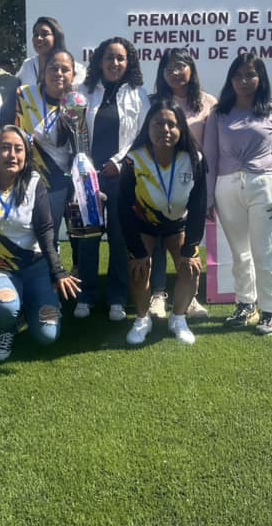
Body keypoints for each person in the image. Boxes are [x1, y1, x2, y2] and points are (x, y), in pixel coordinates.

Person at [0, 126, 81, 362]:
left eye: (18, 149)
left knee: (47, 334)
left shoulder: (34, 182)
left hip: (35, 268)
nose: (12, 155)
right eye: (5, 148)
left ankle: (33, 306)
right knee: (5, 309)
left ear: (26, 155)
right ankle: (8, 327)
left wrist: (58, 271)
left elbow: (45, 230)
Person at [204, 53, 272, 337]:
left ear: (261, 78)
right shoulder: (219, 113)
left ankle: (270, 310)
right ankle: (246, 305)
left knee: (264, 253)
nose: (244, 81)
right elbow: (210, 157)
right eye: (238, 76)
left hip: (264, 185)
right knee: (239, 254)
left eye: (250, 75)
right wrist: (208, 198)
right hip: (227, 187)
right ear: (230, 79)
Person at [73, 37, 148, 322]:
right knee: (88, 237)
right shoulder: (83, 92)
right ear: (99, 61)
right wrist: (86, 165)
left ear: (129, 62)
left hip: (121, 176)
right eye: (109, 57)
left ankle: (117, 297)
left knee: (119, 238)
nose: (114, 63)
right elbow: (74, 130)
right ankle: (87, 295)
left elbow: (141, 136)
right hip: (88, 176)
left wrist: (118, 163)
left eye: (120, 58)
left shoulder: (138, 94)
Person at [120, 99, 206, 346]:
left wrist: (190, 247)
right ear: (148, 127)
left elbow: (198, 205)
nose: (165, 129)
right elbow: (123, 206)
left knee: (190, 267)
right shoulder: (133, 160)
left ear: (181, 130)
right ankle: (142, 319)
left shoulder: (194, 158)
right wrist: (137, 250)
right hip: (144, 224)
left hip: (177, 224)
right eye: (158, 123)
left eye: (172, 124)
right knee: (138, 269)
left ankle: (178, 318)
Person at [147, 48, 218, 320]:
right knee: (159, 236)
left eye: (180, 66)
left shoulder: (208, 102)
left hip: (195, 181)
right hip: (160, 179)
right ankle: (158, 295)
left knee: (190, 238)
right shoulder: (155, 102)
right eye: (168, 69)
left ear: (191, 68)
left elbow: (213, 148)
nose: (174, 73)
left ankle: (189, 298)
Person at [14, 46, 78, 242]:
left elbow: (80, 147)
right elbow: (11, 130)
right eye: (53, 68)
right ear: (43, 71)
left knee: (50, 235)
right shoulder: (23, 94)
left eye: (65, 69)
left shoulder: (76, 103)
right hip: (25, 178)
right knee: (25, 234)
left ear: (73, 74)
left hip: (58, 181)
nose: (58, 73)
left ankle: (54, 272)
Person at [16, 17, 86, 91]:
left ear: (56, 37)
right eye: (36, 34)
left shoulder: (77, 69)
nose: (39, 38)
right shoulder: (28, 65)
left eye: (45, 34)